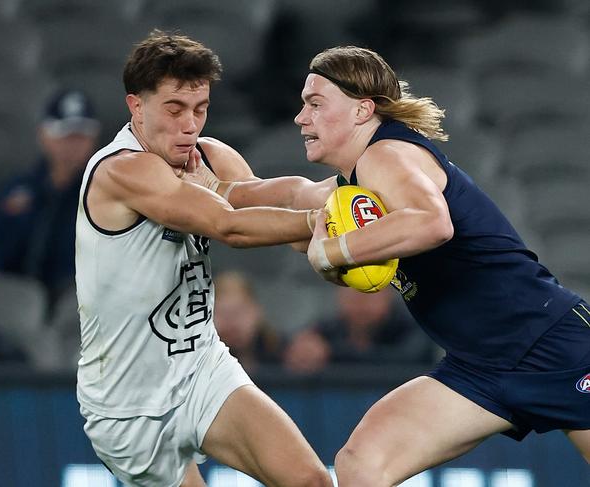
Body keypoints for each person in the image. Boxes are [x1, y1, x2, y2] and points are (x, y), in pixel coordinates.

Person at [189, 46, 590, 483]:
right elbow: (293, 195)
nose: (301, 118)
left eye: (316, 104)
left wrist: (334, 252)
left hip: (552, 346)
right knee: (361, 464)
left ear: (363, 110)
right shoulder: (354, 184)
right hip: (478, 368)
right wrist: (218, 190)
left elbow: (432, 223)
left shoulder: (387, 154)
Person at [75, 30, 332, 487]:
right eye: (174, 109)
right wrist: (324, 220)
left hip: (201, 369)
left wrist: (347, 190)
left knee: (311, 481)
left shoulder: (209, 155)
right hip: (129, 406)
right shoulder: (121, 169)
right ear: (136, 105)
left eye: (200, 109)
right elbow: (230, 225)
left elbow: (276, 201)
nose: (189, 125)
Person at [0, 88, 101, 304]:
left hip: (75, 300)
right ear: (43, 135)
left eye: (81, 136)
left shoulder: (103, 191)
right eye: (65, 136)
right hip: (16, 298)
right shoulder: (20, 189)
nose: (73, 145)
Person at [284, 286, 434, 374]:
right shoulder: (329, 327)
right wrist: (302, 350)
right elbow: (293, 346)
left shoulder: (413, 324)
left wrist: (330, 354)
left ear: (387, 296)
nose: (361, 305)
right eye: (353, 297)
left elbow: (404, 361)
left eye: (368, 296)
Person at [213, 271, 282, 372]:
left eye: (239, 312)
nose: (231, 322)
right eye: (222, 313)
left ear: (257, 312)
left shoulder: (283, 355)